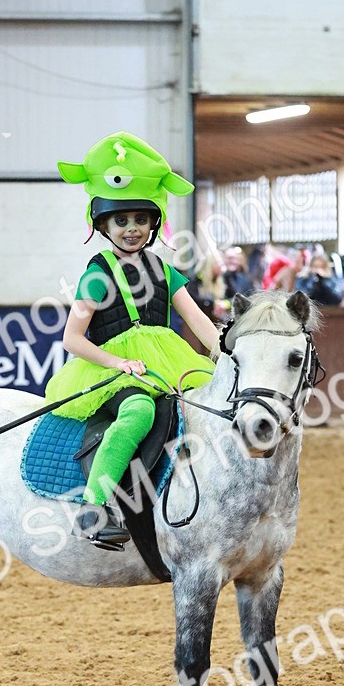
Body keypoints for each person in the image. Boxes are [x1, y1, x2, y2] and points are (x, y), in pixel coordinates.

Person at [47, 131, 219, 550]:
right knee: (139, 410)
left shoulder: (165, 270)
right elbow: (72, 338)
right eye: (121, 221)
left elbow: (199, 322)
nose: (132, 229)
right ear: (102, 223)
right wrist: (116, 364)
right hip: (113, 370)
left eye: (141, 220)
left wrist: (227, 353)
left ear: (153, 222)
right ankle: (94, 506)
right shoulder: (97, 272)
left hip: (166, 363)